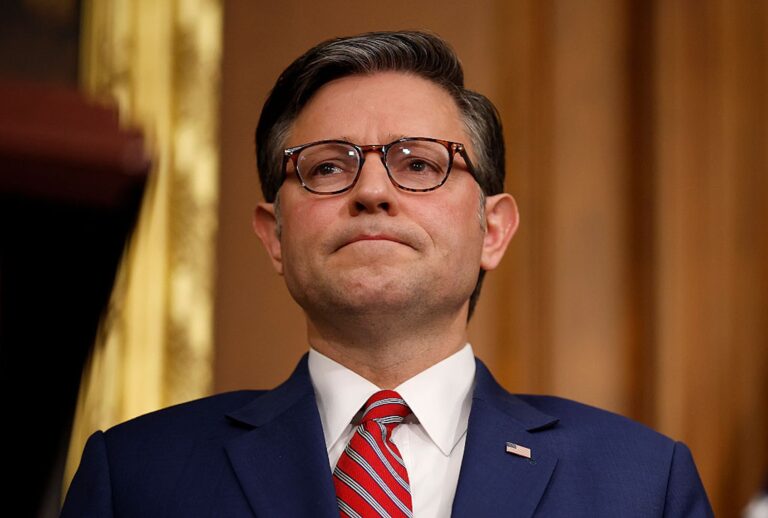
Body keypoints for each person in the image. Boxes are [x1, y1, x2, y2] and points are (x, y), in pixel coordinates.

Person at [61, 31, 713, 517]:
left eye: (420, 164)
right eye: (326, 167)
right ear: (275, 236)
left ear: (492, 230)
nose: (372, 191)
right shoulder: (138, 475)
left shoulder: (642, 483)